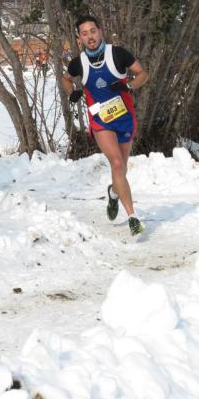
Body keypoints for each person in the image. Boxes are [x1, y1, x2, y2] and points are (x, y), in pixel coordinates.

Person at [62, 14, 149, 236]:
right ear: (79, 38)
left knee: (122, 167)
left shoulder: (118, 54)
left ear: (100, 31)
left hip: (124, 118)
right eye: (84, 33)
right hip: (100, 120)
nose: (89, 36)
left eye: (93, 31)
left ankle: (113, 194)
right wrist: (72, 93)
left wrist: (129, 86)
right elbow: (66, 79)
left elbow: (142, 74)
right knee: (117, 164)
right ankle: (133, 217)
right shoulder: (78, 62)